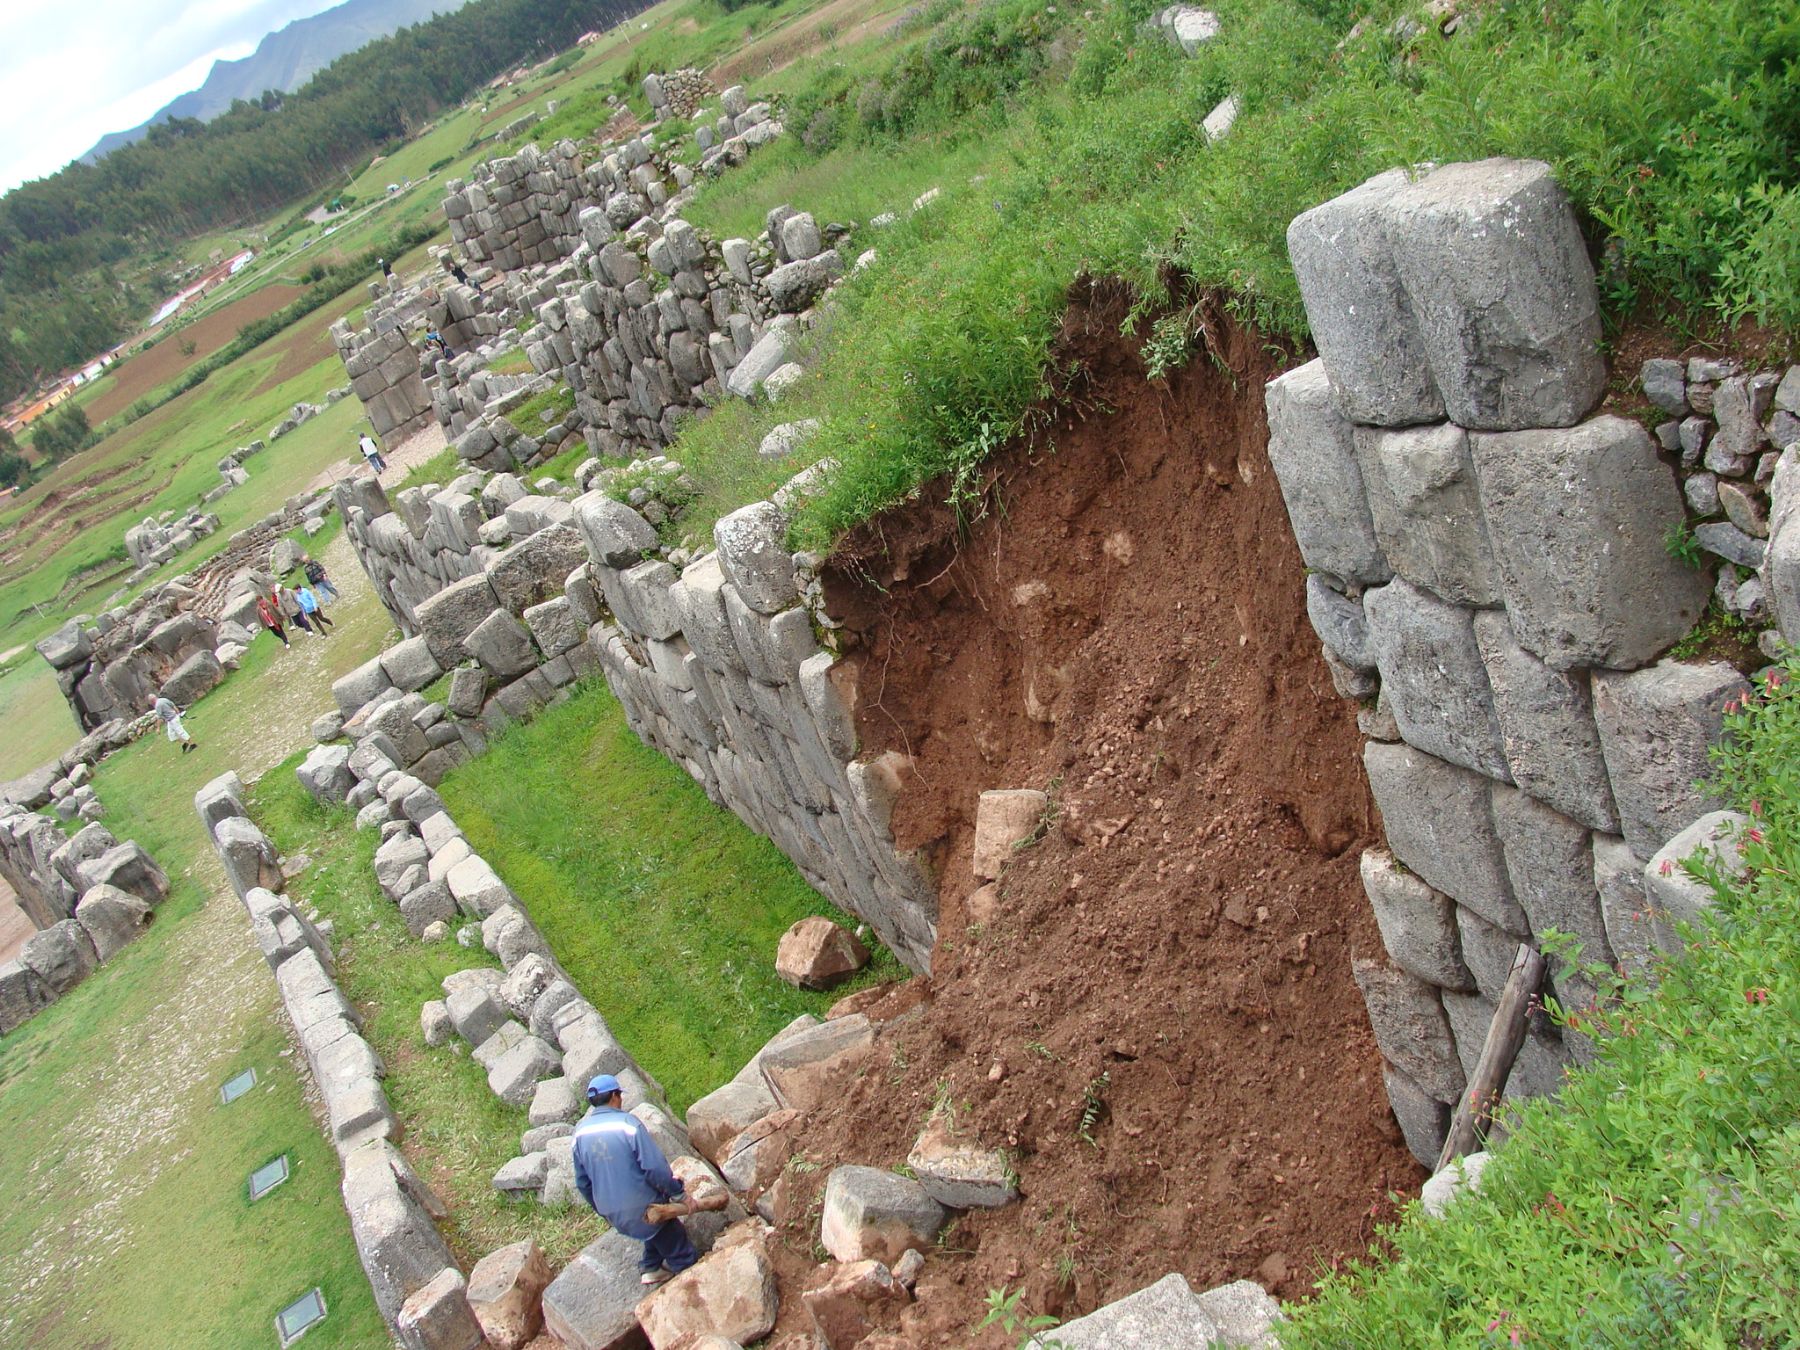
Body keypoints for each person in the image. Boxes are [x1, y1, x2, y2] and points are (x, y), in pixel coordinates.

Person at [571, 1075, 697, 1286]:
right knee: (676, 1243)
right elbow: (654, 1169)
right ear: (614, 1096)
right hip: (645, 1208)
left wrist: (603, 1210)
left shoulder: (579, 1134)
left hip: (612, 1210)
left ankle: (651, 1267)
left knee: (650, 1231)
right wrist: (680, 1194)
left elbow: (583, 1183)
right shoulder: (628, 1124)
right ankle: (690, 1284)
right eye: (619, 1095)